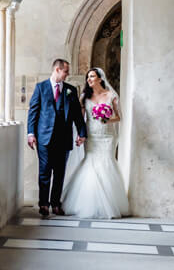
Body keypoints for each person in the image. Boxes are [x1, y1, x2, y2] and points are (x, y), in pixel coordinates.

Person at [61, 67, 130, 219]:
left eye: (92, 76)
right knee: (91, 163)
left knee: (106, 164)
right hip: (91, 135)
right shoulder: (85, 97)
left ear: (100, 78)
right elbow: (80, 119)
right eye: (88, 77)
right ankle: (88, 203)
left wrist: (107, 119)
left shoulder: (111, 95)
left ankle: (109, 204)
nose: (89, 80)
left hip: (107, 136)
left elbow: (119, 117)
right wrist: (80, 135)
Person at [27, 58, 86, 217]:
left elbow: (76, 116)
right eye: (66, 71)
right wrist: (31, 133)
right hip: (44, 138)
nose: (68, 74)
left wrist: (82, 133)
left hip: (64, 139)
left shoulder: (70, 90)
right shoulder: (41, 88)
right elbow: (33, 112)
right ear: (57, 70)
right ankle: (44, 204)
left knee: (59, 173)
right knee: (44, 172)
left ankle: (55, 204)